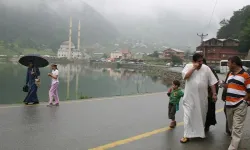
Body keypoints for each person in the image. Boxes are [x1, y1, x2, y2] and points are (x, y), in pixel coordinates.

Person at [180, 53, 218, 143]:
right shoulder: (188, 66)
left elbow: (212, 82)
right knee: (188, 116)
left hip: (202, 98)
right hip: (189, 98)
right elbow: (185, 77)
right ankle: (186, 135)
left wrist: (214, 94)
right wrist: (193, 68)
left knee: (201, 116)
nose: (201, 63)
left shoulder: (206, 68)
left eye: (201, 61)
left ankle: (199, 133)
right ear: (193, 61)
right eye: (198, 61)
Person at [224, 56, 250, 150]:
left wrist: (244, 101)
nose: (227, 65)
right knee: (231, 127)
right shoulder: (230, 74)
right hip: (229, 104)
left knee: (237, 127)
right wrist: (222, 84)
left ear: (234, 63)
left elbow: (249, 90)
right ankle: (235, 140)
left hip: (240, 104)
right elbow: (228, 85)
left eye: (228, 63)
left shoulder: (245, 75)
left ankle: (233, 147)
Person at [203, 59, 219, 132]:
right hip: (200, 95)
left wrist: (214, 94)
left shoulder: (209, 70)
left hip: (209, 95)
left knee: (209, 111)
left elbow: (215, 82)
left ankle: (207, 125)